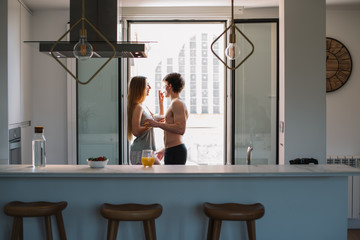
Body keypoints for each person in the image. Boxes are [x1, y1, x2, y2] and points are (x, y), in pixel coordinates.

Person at [145, 73, 188, 165]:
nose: (163, 89)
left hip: (175, 151)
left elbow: (180, 129)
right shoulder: (174, 103)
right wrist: (164, 149)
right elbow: (171, 126)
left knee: (172, 179)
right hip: (171, 149)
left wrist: (157, 124)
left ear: (170, 86)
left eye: (164, 85)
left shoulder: (177, 103)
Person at [127, 76, 164, 165]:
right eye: (147, 85)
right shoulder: (138, 107)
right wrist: (151, 124)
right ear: (140, 88)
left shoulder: (143, 106)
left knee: (159, 173)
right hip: (140, 151)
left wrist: (161, 103)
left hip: (147, 150)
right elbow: (135, 131)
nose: (150, 87)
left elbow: (160, 119)